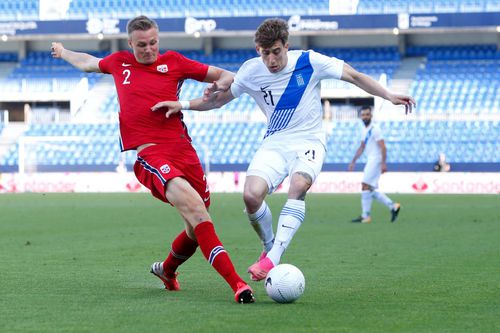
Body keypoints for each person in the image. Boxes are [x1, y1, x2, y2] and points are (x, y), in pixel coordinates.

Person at [151, 18, 416, 281]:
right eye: (265, 53)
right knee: (251, 196)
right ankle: (268, 246)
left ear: (286, 46)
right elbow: (217, 101)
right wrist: (183, 104)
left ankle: (273, 257)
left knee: (298, 186)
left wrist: (389, 96)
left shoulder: (309, 61)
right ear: (258, 51)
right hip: (275, 142)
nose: (271, 60)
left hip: (309, 141)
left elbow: (354, 75)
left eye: (276, 52)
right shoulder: (250, 71)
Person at [50, 15, 255, 303]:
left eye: (153, 43)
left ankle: (167, 270)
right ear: (130, 43)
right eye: (142, 45)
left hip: (184, 151)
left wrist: (216, 87)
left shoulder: (174, 62)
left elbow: (227, 76)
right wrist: (63, 51)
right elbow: (87, 62)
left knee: (196, 227)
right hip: (151, 154)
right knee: (198, 214)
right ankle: (238, 284)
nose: (149, 49)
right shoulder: (119, 62)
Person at [349, 106, 401, 224]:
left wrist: (383, 163)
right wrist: (353, 161)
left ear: (371, 115)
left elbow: (383, 146)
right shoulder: (364, 130)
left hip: (376, 160)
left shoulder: (375, 129)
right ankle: (393, 206)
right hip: (371, 159)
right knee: (369, 189)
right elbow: (362, 147)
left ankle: (365, 216)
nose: (365, 117)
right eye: (363, 115)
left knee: (365, 185)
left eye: (367, 114)